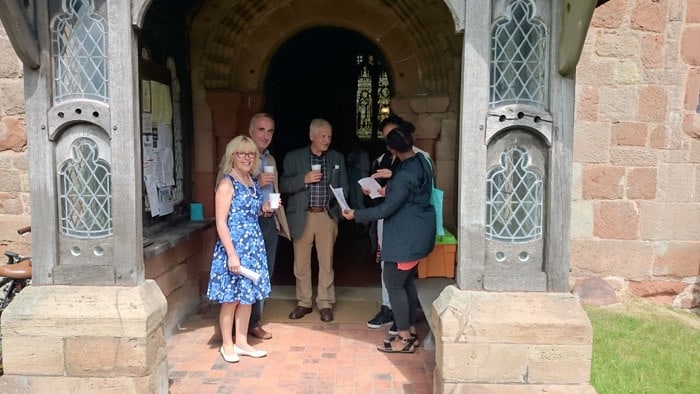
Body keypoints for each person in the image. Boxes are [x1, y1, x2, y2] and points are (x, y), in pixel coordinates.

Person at [342, 123, 436, 353]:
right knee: (406, 283)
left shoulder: (403, 175)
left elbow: (385, 211)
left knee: (393, 282)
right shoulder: (422, 162)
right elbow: (410, 191)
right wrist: (390, 189)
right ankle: (411, 331)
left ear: (392, 150)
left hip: (406, 236)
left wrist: (356, 214)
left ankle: (403, 339)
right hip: (420, 233)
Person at [207, 135, 274, 363]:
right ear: (232, 156)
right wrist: (232, 254)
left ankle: (242, 342)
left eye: (251, 153)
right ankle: (227, 344)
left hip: (253, 245)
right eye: (242, 153)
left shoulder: (251, 181)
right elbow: (221, 222)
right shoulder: (227, 183)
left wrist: (264, 207)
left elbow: (250, 212)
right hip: (235, 246)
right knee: (231, 298)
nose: (247, 158)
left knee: (247, 298)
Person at [365, 115, 434, 335]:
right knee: (388, 268)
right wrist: (375, 188)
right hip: (391, 222)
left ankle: (402, 322)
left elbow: (415, 186)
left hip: (405, 226)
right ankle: (391, 311)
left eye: (393, 134)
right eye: (386, 136)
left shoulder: (421, 159)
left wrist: (356, 214)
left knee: (397, 277)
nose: (390, 140)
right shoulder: (384, 158)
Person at [280, 118, 349, 322]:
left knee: (326, 262)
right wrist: (304, 179)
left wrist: (337, 213)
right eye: (322, 136)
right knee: (300, 263)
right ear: (312, 136)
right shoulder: (294, 158)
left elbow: (344, 186)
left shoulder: (337, 157)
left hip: (326, 216)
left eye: (329, 136)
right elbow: (283, 184)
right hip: (303, 215)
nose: (327, 140)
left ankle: (325, 303)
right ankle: (304, 302)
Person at [246, 113, 291, 340]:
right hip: (248, 223)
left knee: (266, 272)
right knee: (249, 272)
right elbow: (227, 186)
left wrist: (275, 204)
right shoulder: (241, 156)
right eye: (261, 130)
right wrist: (256, 181)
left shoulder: (270, 160)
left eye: (270, 131)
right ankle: (249, 322)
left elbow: (273, 189)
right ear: (251, 131)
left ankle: (255, 320)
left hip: (268, 220)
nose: (266, 135)